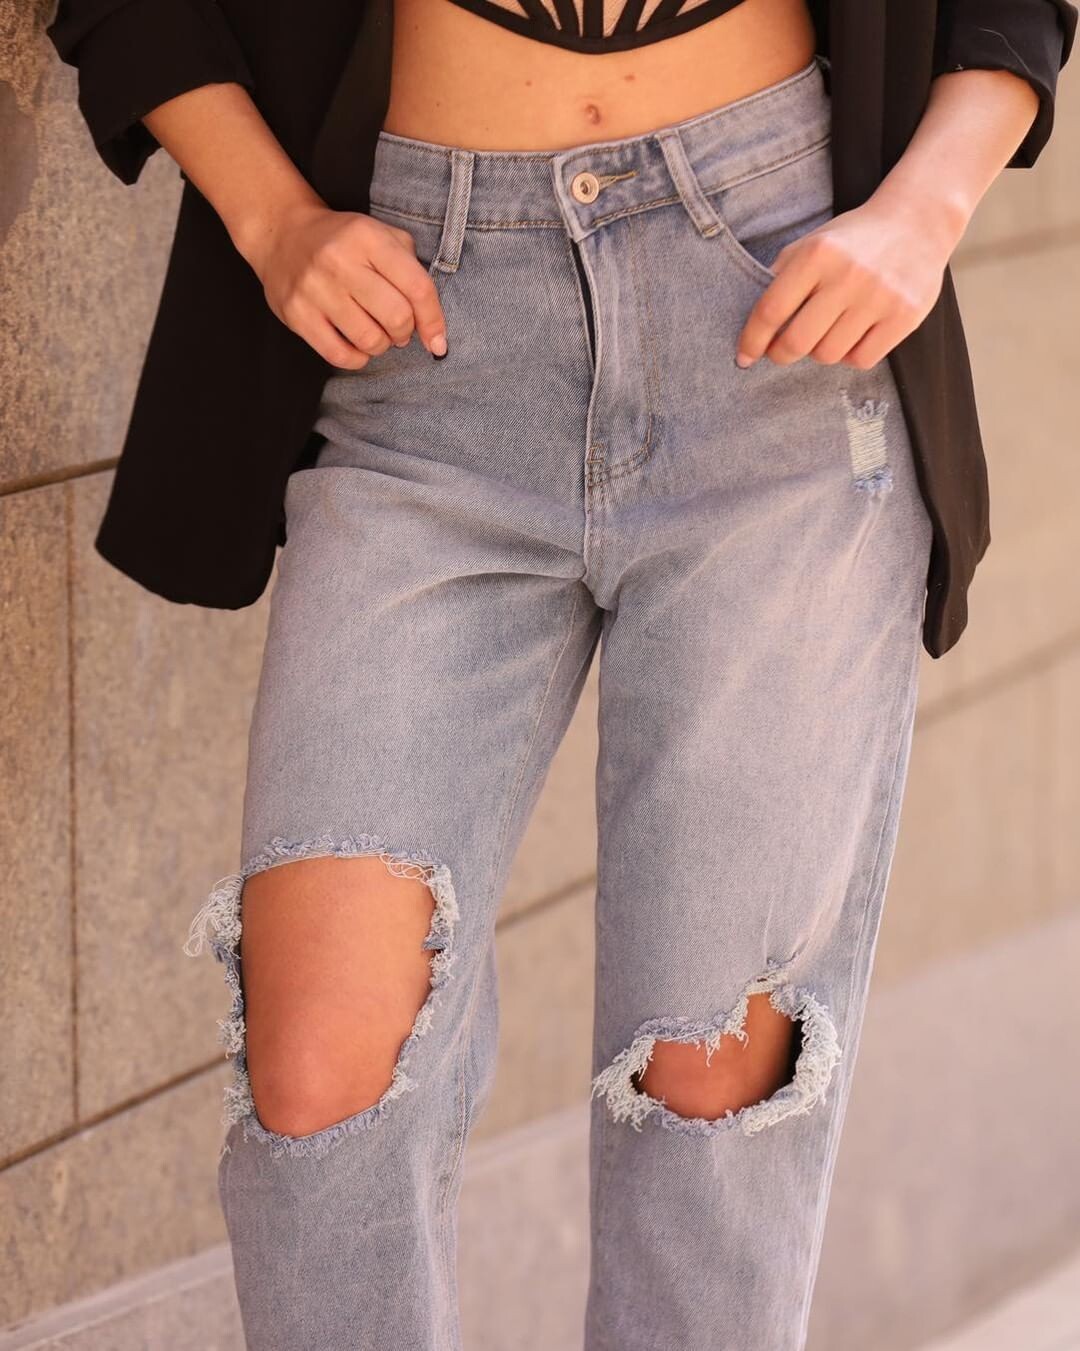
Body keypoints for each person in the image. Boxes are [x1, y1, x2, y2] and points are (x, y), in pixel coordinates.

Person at [47, 0, 1076, 1346]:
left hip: (771, 327)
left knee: (712, 1081)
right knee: (322, 1067)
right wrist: (274, 218)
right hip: (421, 352)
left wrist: (923, 214)